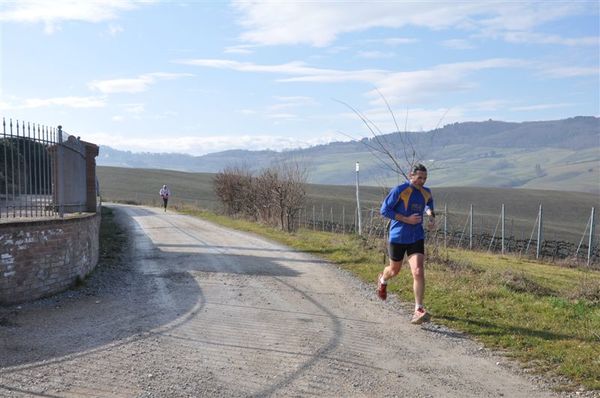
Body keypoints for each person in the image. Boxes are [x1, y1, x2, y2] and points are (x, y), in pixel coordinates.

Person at [377, 163, 435, 325]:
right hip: (398, 236)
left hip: (416, 236)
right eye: (419, 178)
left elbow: (429, 204)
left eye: (424, 178)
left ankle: (418, 309)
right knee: (394, 270)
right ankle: (383, 279)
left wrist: (431, 216)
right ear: (411, 175)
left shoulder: (426, 192)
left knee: (418, 271)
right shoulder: (400, 190)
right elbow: (384, 210)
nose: (422, 181)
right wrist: (406, 219)